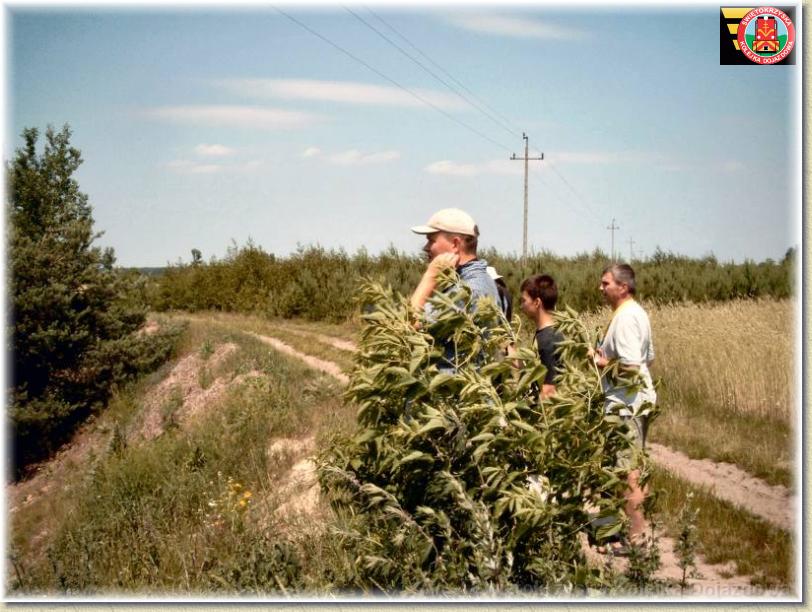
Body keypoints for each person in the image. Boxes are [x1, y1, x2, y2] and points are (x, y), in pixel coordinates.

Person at [591, 263, 656, 547]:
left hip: (626, 405)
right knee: (635, 467)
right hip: (635, 401)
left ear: (623, 287)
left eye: (606, 283)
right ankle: (638, 530)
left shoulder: (627, 317)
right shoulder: (635, 313)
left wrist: (600, 362)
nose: (601, 288)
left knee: (629, 471)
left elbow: (631, 366)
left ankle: (637, 537)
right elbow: (647, 359)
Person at [409, 208, 500, 369]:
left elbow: (408, 324)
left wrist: (430, 276)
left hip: (454, 392)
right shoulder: (467, 280)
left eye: (431, 240)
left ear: (455, 244)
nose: (426, 247)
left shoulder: (468, 290)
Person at [519, 274, 564, 399]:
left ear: (537, 302)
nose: (521, 306)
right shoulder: (547, 333)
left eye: (524, 301)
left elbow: (549, 389)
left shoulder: (547, 339)